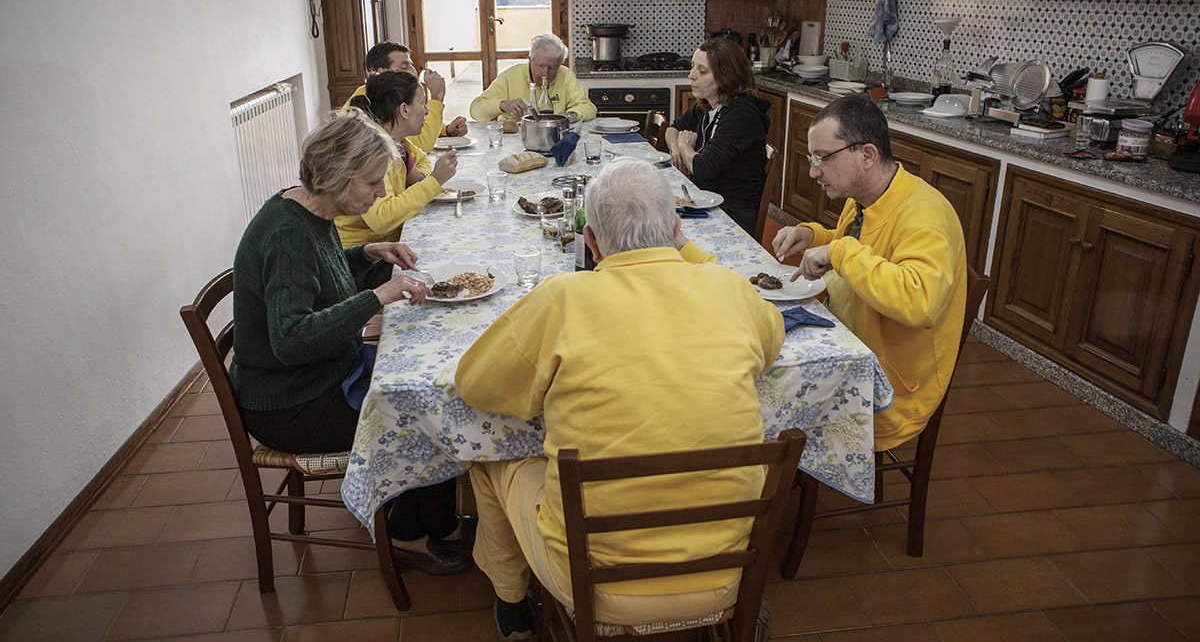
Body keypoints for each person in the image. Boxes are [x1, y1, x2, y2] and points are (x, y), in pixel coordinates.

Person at [455, 159, 783, 641]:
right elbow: (772, 342)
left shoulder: (563, 297)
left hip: (597, 588)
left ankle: (512, 607)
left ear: (590, 241)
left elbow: (473, 385)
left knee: (489, 459)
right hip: (725, 578)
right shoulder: (730, 288)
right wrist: (689, 253)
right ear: (676, 228)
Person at [229, 111, 470, 574]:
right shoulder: (287, 233)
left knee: (424, 391)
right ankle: (410, 536)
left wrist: (367, 253)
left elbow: (315, 273)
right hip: (289, 401)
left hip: (320, 375)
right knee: (423, 410)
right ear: (337, 177)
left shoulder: (303, 208)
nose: (383, 192)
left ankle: (434, 523)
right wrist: (377, 294)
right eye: (374, 182)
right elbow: (292, 339)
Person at [772, 95, 967, 451]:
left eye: (823, 159)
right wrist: (814, 235)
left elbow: (920, 302)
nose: (814, 171)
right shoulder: (867, 195)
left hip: (889, 391)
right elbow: (861, 250)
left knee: (762, 396)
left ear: (866, 155)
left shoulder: (924, 217)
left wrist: (837, 250)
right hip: (852, 343)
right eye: (811, 158)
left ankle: (773, 484)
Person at [336, 70, 458, 255]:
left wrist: (414, 173)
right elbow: (381, 218)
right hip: (360, 257)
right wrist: (433, 181)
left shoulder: (395, 140)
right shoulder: (371, 150)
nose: (426, 111)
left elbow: (423, 161)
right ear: (404, 110)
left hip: (388, 244)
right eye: (422, 104)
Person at [664, 37, 770, 235]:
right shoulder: (707, 105)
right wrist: (676, 147)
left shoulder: (741, 115)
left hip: (731, 215)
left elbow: (703, 168)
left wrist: (686, 147)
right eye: (692, 67)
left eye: (702, 71)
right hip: (707, 201)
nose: (691, 75)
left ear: (726, 77)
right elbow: (672, 129)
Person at [345, 41, 468, 152]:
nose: (413, 72)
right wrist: (437, 98)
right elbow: (422, 145)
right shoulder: (372, 99)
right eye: (404, 67)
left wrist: (445, 130)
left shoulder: (387, 94)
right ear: (380, 73)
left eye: (411, 65)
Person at [469, 33, 597, 122]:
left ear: (559, 65)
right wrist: (502, 105)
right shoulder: (510, 76)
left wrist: (571, 115)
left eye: (551, 68)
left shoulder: (566, 75)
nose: (544, 74)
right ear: (530, 60)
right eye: (540, 66)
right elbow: (476, 110)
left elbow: (589, 108)